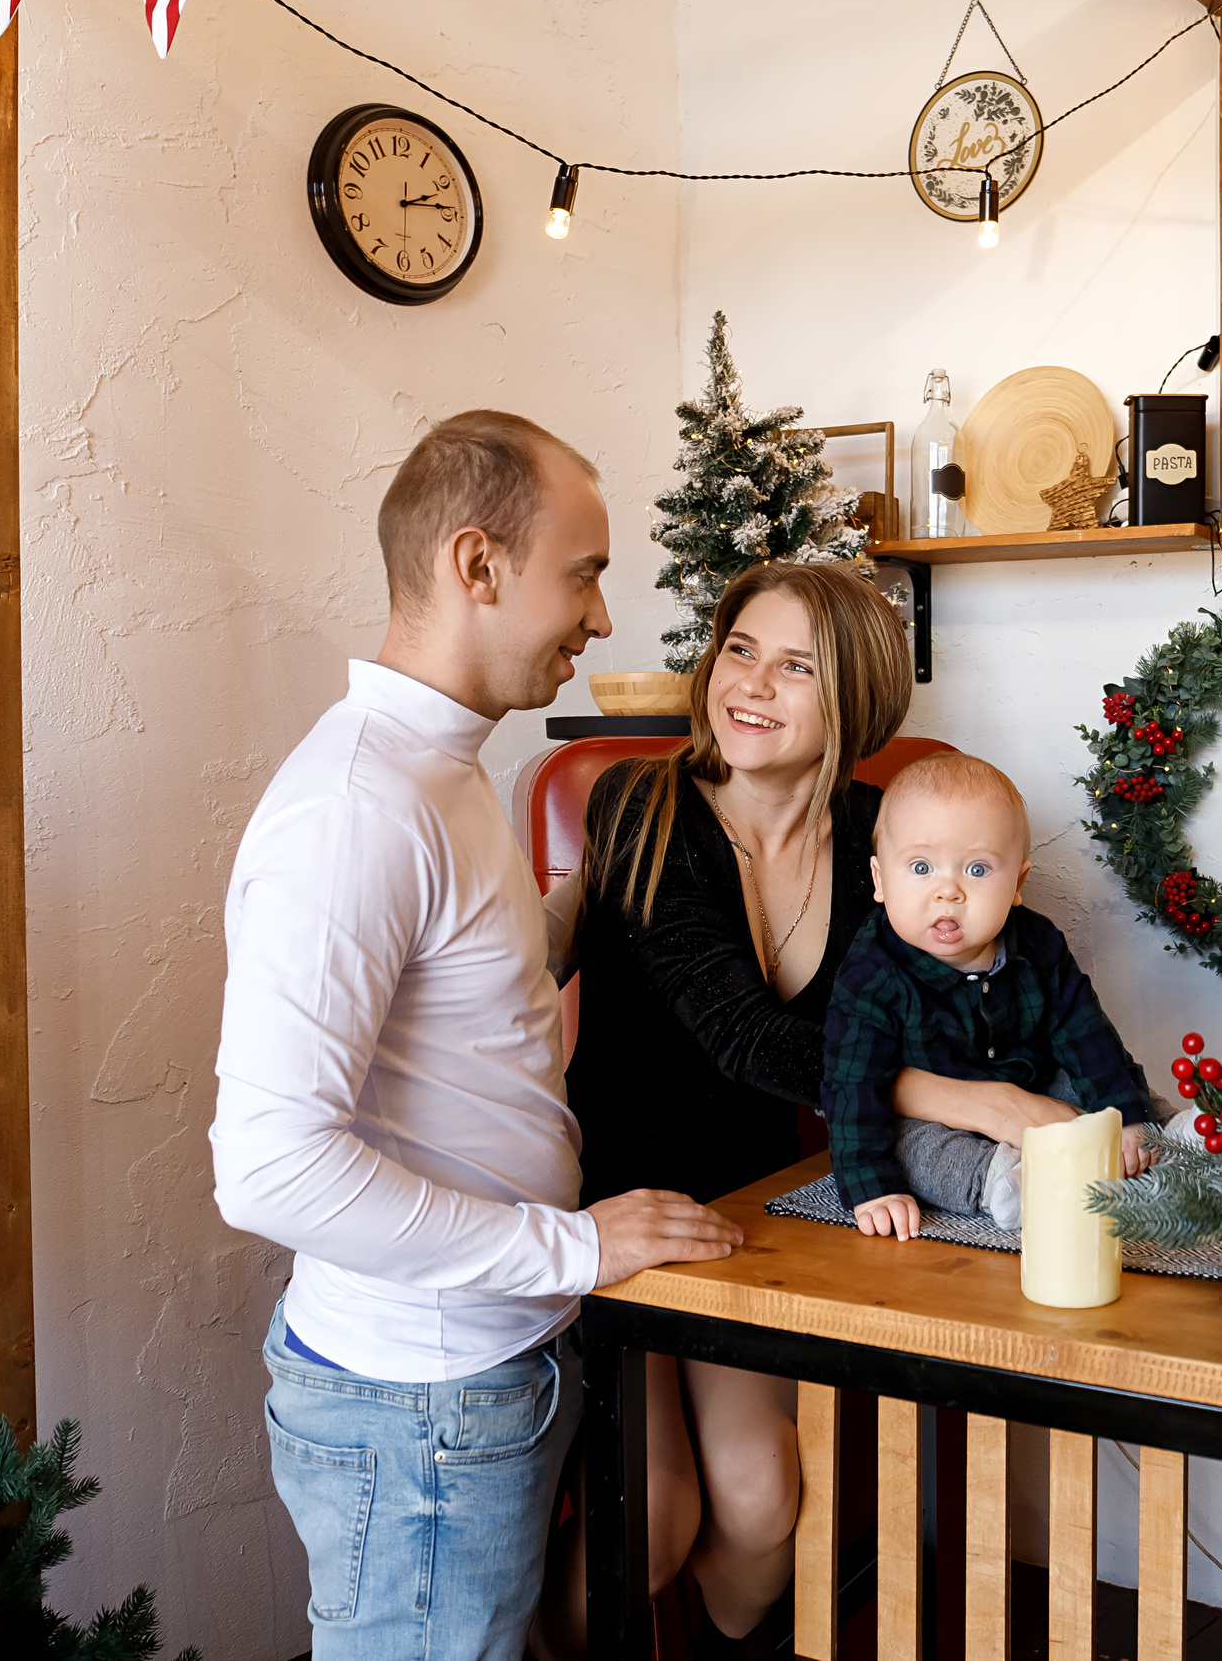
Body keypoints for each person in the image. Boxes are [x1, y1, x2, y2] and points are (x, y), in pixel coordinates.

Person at [210, 410, 743, 1661]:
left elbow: (474, 998)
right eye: (586, 572)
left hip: (484, 1370)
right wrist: (567, 1246)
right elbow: (271, 1167)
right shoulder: (355, 811)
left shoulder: (442, 775)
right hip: (422, 1404)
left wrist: (619, 894)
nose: (602, 619)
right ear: (477, 564)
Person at [542, 562, 908, 1659]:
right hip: (615, 1209)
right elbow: (748, 1040)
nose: (749, 685)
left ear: (854, 697)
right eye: (739, 649)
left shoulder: (885, 835)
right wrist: (951, 1094)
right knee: (655, 1522)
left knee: (758, 1509)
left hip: (753, 1221)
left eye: (796, 665)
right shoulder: (641, 807)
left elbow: (925, 1009)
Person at [821, 754, 1155, 1239]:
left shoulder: (1038, 945)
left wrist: (1127, 1115)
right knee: (909, 1145)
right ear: (879, 879)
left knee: (1095, 1082)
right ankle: (999, 1182)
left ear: (1017, 884)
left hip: (1032, 1088)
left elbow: (1086, 1035)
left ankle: (1174, 1137)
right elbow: (851, 1087)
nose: (948, 892)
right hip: (934, 1120)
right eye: (921, 867)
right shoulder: (871, 974)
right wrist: (872, 1187)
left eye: (977, 870)